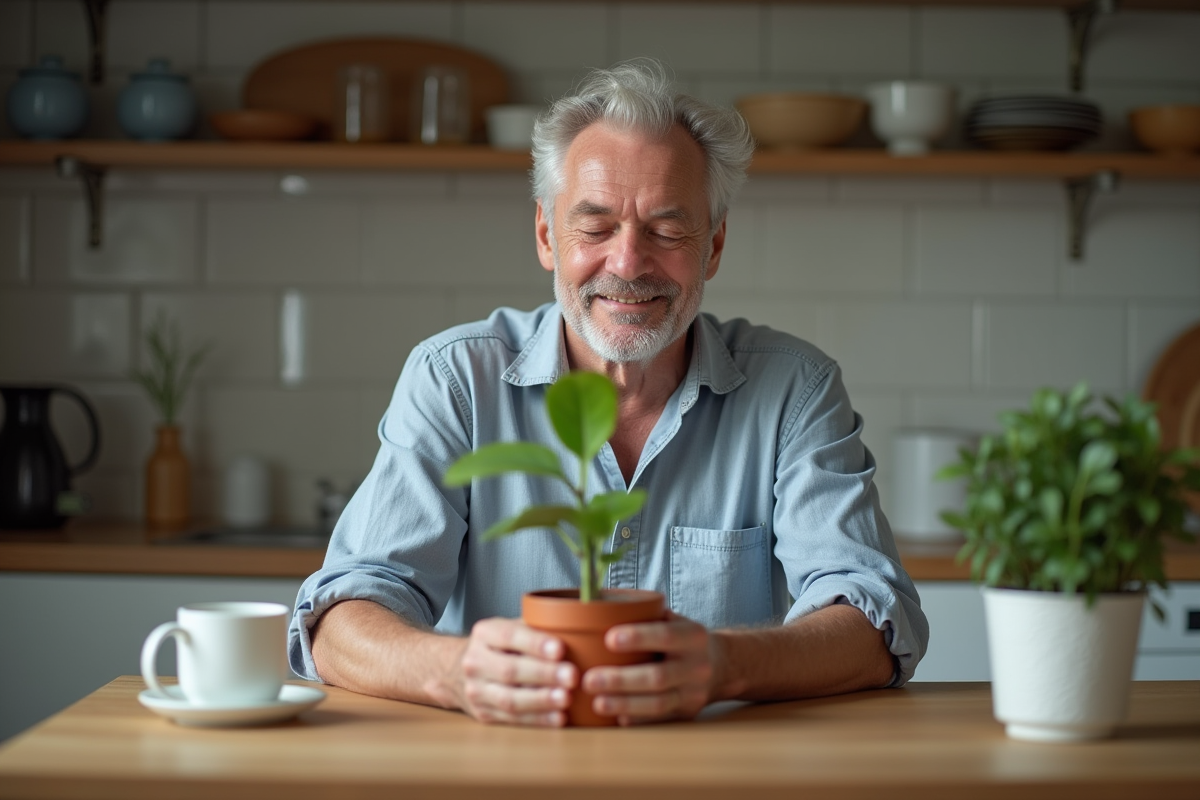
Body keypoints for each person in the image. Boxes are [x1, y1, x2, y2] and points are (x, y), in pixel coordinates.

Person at [289, 59, 928, 727]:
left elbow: (877, 620)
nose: (627, 264)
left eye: (667, 230)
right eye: (594, 228)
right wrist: (454, 673)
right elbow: (340, 620)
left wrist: (726, 664)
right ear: (546, 236)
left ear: (713, 246)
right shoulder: (456, 380)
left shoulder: (795, 390)